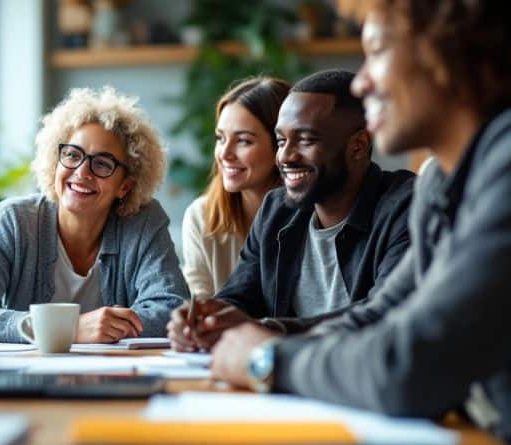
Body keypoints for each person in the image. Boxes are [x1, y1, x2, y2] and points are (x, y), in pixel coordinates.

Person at [210, 0, 511, 445]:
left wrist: (270, 363)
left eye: (377, 50)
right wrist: (263, 344)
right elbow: (380, 317)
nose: (362, 81)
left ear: (448, 50)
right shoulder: (444, 178)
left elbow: (413, 366)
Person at [169, 70, 415, 352]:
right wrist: (205, 320)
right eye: (282, 141)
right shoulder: (277, 210)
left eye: (305, 140)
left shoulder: (405, 206)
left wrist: (273, 330)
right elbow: (239, 298)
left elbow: (386, 313)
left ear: (358, 146)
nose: (285, 157)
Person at [0, 87, 188, 343]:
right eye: (72, 155)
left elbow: (172, 311)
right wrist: (65, 329)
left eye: (102, 163)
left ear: (125, 186)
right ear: (56, 161)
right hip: (27, 378)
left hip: (114, 379)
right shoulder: (13, 221)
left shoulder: (143, 222)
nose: (82, 172)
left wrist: (105, 328)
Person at [181, 77, 289, 299]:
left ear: (282, 145)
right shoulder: (202, 216)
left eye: (243, 141)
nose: (224, 154)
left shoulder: (314, 217)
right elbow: (197, 302)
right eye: (220, 138)